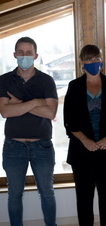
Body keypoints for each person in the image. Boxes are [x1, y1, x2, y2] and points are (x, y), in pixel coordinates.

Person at [0, 36, 58, 226]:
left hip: (42, 146)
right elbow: (5, 111)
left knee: (47, 192)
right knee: (14, 194)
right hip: (13, 147)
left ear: (36, 56)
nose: (25, 56)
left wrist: (18, 104)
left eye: (29, 53)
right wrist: (34, 102)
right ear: (15, 55)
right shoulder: (4, 80)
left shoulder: (46, 80)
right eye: (21, 53)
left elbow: (50, 113)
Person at [63, 45, 106, 226]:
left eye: (96, 58)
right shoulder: (74, 86)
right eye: (88, 60)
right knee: (84, 199)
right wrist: (86, 141)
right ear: (82, 63)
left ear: (102, 61)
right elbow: (69, 121)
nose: (93, 62)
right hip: (82, 152)